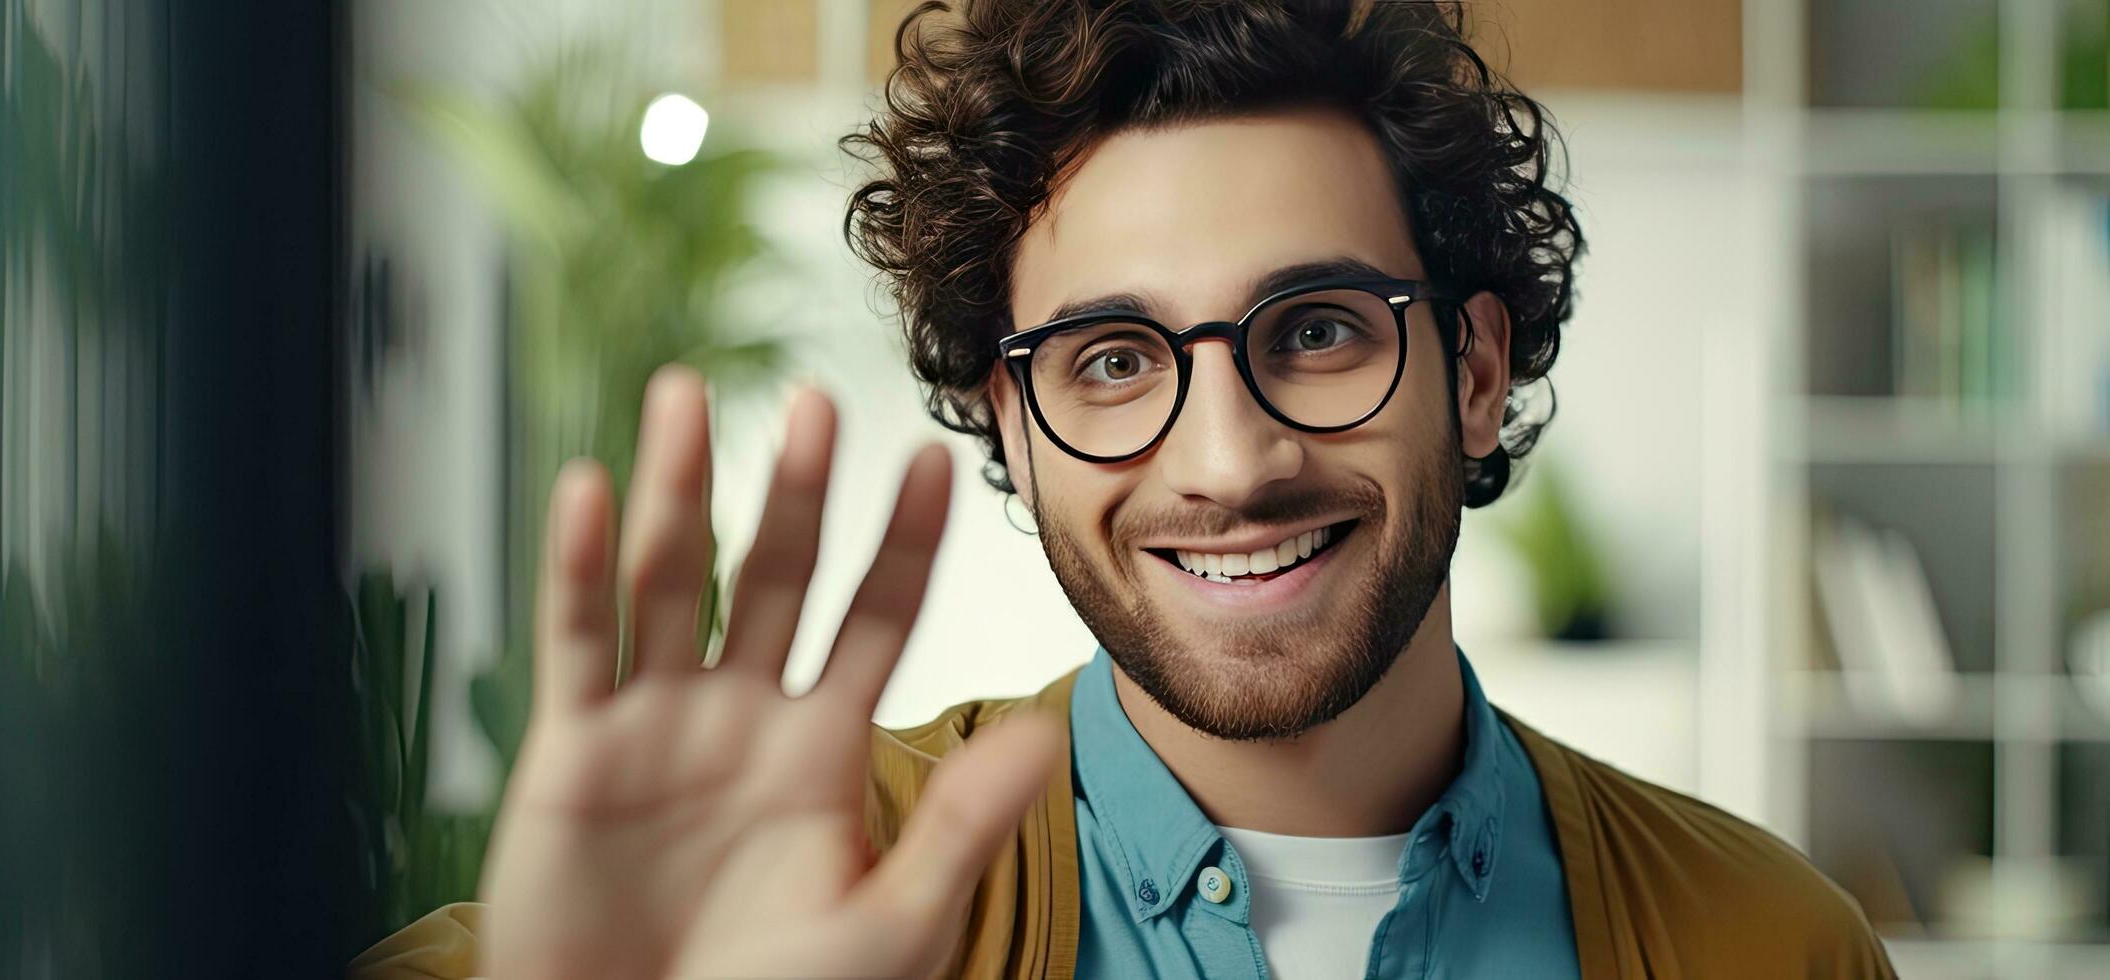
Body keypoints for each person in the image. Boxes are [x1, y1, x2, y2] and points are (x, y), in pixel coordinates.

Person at [352, 2, 1895, 977]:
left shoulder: (1774, 945)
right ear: (1009, 421)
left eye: (1316, 330)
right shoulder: (809, 885)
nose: (1229, 462)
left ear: (1475, 370)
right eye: (1110, 362)